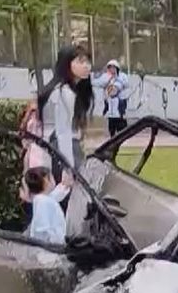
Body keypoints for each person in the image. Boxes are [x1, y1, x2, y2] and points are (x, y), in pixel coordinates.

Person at [38, 45, 93, 177]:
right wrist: (69, 168)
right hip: (61, 150)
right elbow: (63, 132)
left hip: (57, 148)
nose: (86, 66)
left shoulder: (67, 90)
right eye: (80, 61)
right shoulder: (64, 92)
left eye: (88, 61)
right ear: (67, 64)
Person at [23, 167, 72, 245]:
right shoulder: (43, 202)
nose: (54, 179)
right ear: (45, 180)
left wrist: (64, 185)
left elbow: (55, 195)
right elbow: (42, 230)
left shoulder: (43, 199)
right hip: (50, 250)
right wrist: (54, 243)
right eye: (51, 177)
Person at [94, 59, 128, 136]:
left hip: (119, 108)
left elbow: (124, 84)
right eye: (110, 68)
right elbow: (98, 83)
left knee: (122, 130)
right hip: (110, 108)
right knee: (111, 130)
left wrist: (116, 82)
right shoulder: (106, 77)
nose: (112, 69)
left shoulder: (122, 76)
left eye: (113, 67)